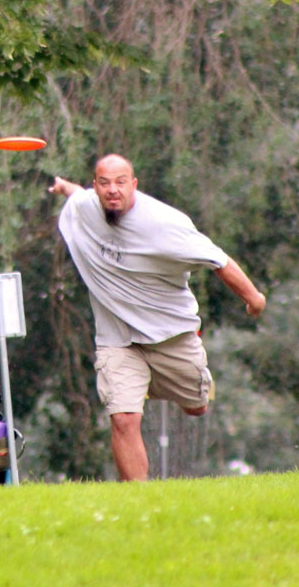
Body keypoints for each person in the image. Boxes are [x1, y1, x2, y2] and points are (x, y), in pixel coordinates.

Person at [49, 154, 266, 482]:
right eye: (104, 183)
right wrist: (65, 187)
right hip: (118, 341)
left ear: (133, 185)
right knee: (123, 419)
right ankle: (140, 503)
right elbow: (77, 195)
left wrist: (254, 299)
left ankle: (164, 381)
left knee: (196, 407)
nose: (112, 190)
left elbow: (219, 261)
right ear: (95, 187)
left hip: (172, 336)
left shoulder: (164, 225)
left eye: (121, 182)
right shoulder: (85, 205)